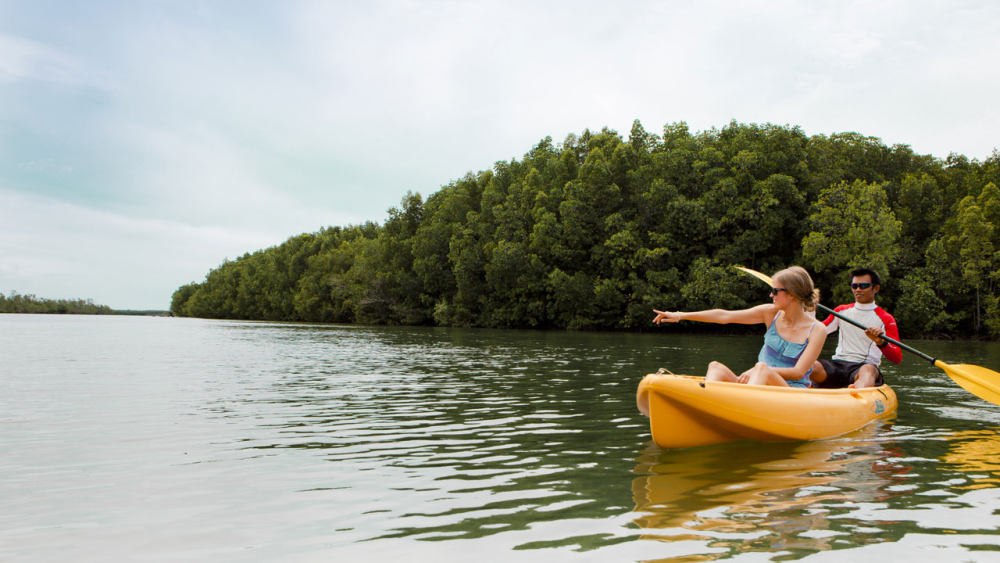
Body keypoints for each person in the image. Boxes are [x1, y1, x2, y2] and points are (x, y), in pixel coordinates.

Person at [652, 266, 826, 388]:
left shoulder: (817, 330)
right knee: (715, 367)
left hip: (790, 392)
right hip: (757, 381)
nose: (770, 294)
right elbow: (725, 316)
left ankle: (743, 404)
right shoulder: (769, 313)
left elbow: (797, 372)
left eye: (775, 291)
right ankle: (709, 402)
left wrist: (759, 370)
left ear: (792, 295)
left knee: (762, 368)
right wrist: (681, 315)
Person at [811, 268, 902, 388]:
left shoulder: (886, 318)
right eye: (854, 286)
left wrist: (880, 342)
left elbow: (897, 358)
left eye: (863, 286)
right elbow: (816, 331)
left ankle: (856, 392)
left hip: (863, 366)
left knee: (868, 370)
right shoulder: (841, 311)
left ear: (876, 289)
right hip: (837, 365)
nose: (858, 290)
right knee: (811, 365)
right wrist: (809, 312)